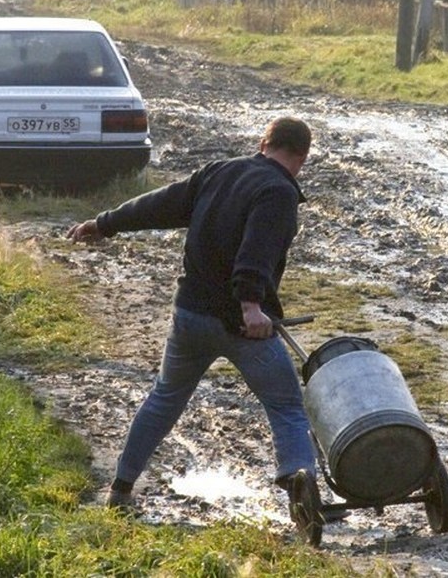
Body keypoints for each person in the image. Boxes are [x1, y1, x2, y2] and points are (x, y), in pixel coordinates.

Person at [67, 115, 323, 540]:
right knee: (286, 405)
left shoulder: (219, 172)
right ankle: (301, 490)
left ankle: (121, 488)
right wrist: (251, 306)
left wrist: (105, 222)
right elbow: (255, 251)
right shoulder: (278, 192)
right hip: (242, 325)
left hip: (190, 317)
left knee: (165, 398)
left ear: (264, 143)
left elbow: (160, 204)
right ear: (303, 156)